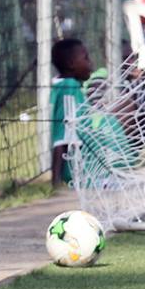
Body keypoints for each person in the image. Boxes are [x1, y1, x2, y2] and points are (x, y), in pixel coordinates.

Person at [49, 36, 93, 186]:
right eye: (86, 58)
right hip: (78, 176)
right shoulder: (68, 88)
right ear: (71, 63)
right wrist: (55, 183)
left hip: (86, 170)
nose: (90, 63)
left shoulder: (72, 85)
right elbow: (61, 137)